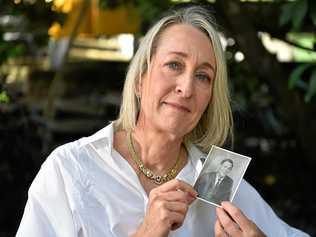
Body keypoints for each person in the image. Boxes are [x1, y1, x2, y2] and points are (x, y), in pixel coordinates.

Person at [16, 5, 310, 237]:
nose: (186, 88)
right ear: (141, 79)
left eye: (203, 76)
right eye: (174, 65)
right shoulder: (70, 169)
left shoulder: (216, 177)